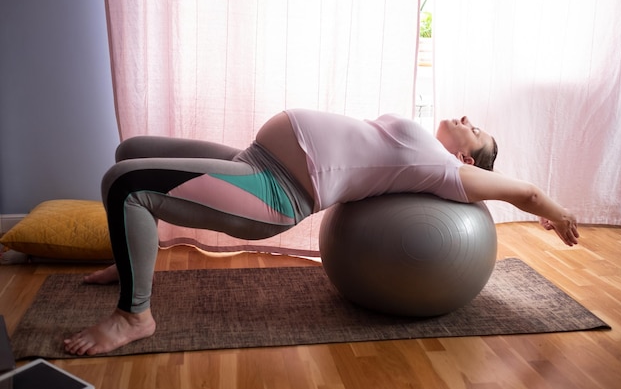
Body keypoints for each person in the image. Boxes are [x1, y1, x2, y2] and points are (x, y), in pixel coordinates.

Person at [63, 109, 579, 355]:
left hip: (273, 190)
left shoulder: (447, 171)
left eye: (476, 126)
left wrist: (558, 213)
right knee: (131, 150)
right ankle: (135, 255)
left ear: (468, 158)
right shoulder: (424, 143)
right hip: (254, 158)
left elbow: (526, 193)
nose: (466, 117)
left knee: (124, 184)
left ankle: (134, 317)